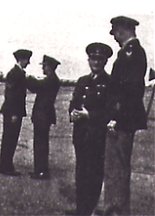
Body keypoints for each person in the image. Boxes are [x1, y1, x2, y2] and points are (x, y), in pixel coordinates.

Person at [104, 16, 147, 215]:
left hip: (123, 120)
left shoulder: (133, 53)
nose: (114, 37)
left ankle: (117, 209)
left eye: (115, 32)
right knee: (114, 165)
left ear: (123, 30)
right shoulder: (128, 53)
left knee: (118, 166)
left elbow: (128, 91)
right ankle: (113, 206)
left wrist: (115, 117)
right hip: (122, 119)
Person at [68, 42, 113, 215]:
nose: (96, 62)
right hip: (80, 136)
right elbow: (74, 102)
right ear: (88, 60)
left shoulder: (109, 83)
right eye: (93, 58)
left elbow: (109, 111)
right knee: (80, 175)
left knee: (94, 176)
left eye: (100, 59)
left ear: (105, 62)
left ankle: (88, 210)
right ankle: (81, 210)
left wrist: (89, 115)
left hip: (97, 137)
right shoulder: (82, 81)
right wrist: (72, 112)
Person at [0, 49, 32, 176]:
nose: (28, 63)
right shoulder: (15, 73)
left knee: (10, 139)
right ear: (22, 60)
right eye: (27, 60)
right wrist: (13, 113)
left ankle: (6, 165)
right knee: (9, 139)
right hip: (13, 112)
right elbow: (11, 95)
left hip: (14, 111)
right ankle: (5, 167)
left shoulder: (18, 73)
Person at [27, 55, 61, 180]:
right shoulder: (52, 79)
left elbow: (35, 86)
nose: (43, 68)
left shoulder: (51, 80)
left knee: (40, 144)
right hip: (44, 115)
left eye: (45, 66)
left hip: (43, 115)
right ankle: (40, 169)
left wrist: (26, 77)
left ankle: (41, 171)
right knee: (41, 143)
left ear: (50, 67)